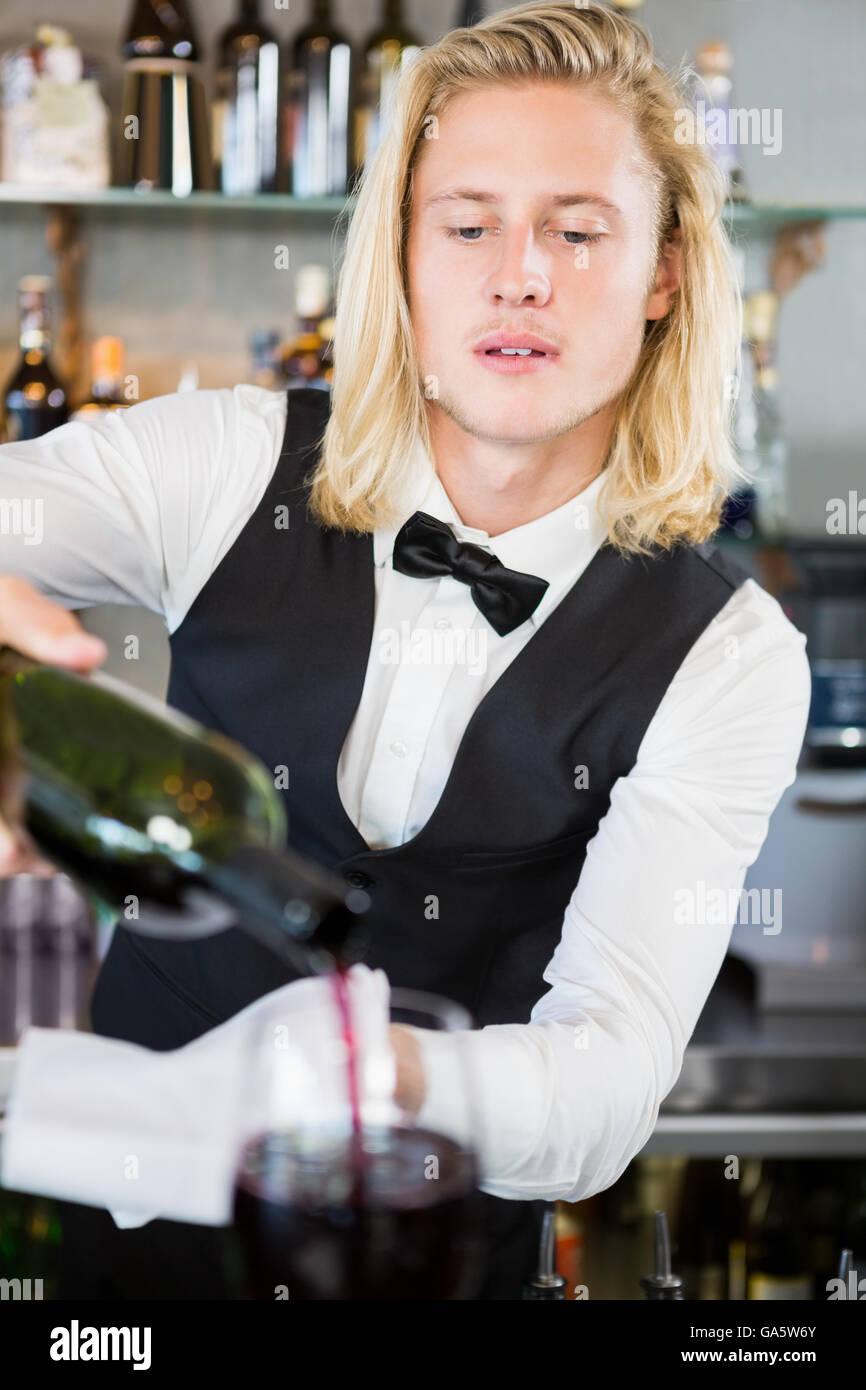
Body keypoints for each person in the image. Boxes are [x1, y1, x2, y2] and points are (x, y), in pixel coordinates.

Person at [0, 2, 810, 1300]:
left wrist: (362, 1069)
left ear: (663, 272)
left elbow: (602, 1082)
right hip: (126, 1253)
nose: (520, 273)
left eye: (578, 229)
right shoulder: (221, 464)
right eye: (469, 221)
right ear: (403, 255)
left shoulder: (724, 652)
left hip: (431, 1259)